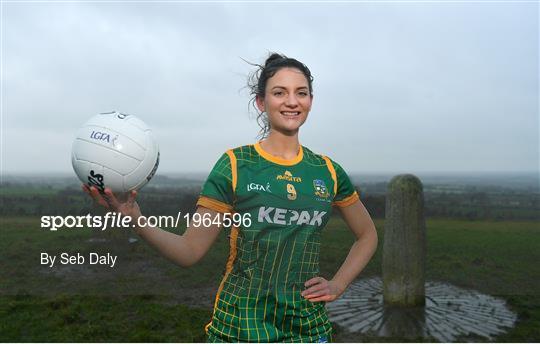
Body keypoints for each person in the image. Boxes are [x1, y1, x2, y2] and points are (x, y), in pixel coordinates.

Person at [83, 53, 378, 342]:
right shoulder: (236, 166)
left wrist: (338, 284)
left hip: (308, 330)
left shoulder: (327, 171)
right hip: (239, 329)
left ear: (310, 101)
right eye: (279, 92)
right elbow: (190, 251)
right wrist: (135, 219)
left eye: (301, 93)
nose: (291, 101)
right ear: (261, 102)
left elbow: (367, 235)